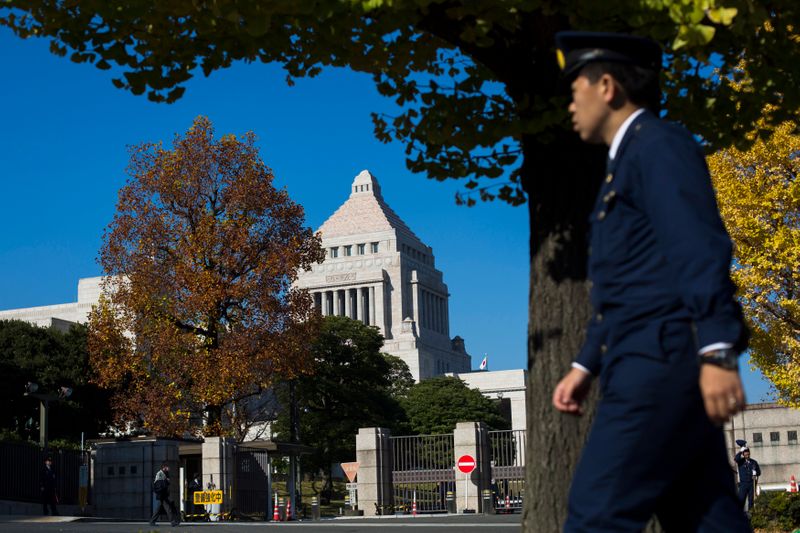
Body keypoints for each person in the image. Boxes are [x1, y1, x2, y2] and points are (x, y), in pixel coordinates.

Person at [551, 31, 751, 532]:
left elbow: (698, 246)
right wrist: (585, 363)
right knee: (706, 518)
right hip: (651, 355)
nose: (569, 103)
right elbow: (628, 280)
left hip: (658, 360)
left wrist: (719, 349)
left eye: (575, 88)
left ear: (608, 86)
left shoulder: (659, 145)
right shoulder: (626, 162)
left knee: (597, 514)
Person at [149, 462, 179, 527]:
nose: (169, 468)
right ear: (164, 467)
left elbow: (166, 483)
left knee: (160, 508)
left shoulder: (165, 473)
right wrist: (167, 481)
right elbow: (160, 484)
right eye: (168, 467)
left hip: (164, 494)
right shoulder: (160, 474)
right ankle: (173, 522)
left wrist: (167, 481)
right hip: (161, 494)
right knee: (167, 508)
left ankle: (152, 521)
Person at [734, 445, 761, 511]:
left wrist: (755, 473)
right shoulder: (741, 462)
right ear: (743, 454)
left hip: (751, 484)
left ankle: (751, 515)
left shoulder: (754, 462)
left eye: (748, 452)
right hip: (743, 484)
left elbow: (759, 472)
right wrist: (740, 451)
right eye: (745, 453)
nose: (747, 454)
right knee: (741, 500)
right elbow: (736, 459)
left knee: (751, 501)